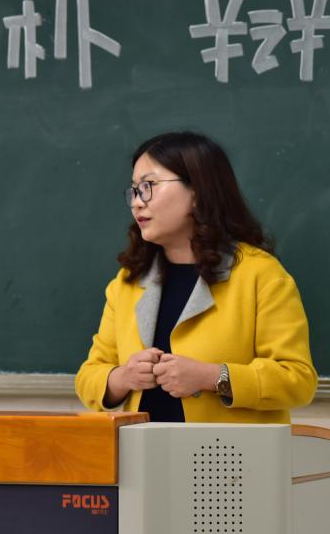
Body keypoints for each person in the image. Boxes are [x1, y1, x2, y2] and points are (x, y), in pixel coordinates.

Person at [75, 131, 317, 423]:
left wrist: (213, 377)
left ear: (198, 191)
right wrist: (123, 377)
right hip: (141, 450)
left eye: (149, 186)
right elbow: (88, 376)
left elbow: (298, 380)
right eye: (135, 190)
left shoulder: (260, 274)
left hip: (228, 452)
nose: (137, 202)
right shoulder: (128, 281)